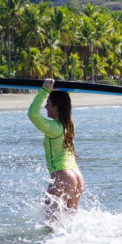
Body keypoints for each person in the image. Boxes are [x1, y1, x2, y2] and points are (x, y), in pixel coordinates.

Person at [28, 78, 84, 221]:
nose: (46, 106)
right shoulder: (69, 125)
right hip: (77, 176)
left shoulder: (54, 128)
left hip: (63, 176)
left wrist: (44, 91)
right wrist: (58, 91)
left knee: (50, 223)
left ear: (57, 107)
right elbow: (65, 102)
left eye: (49, 103)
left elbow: (32, 114)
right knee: (70, 221)